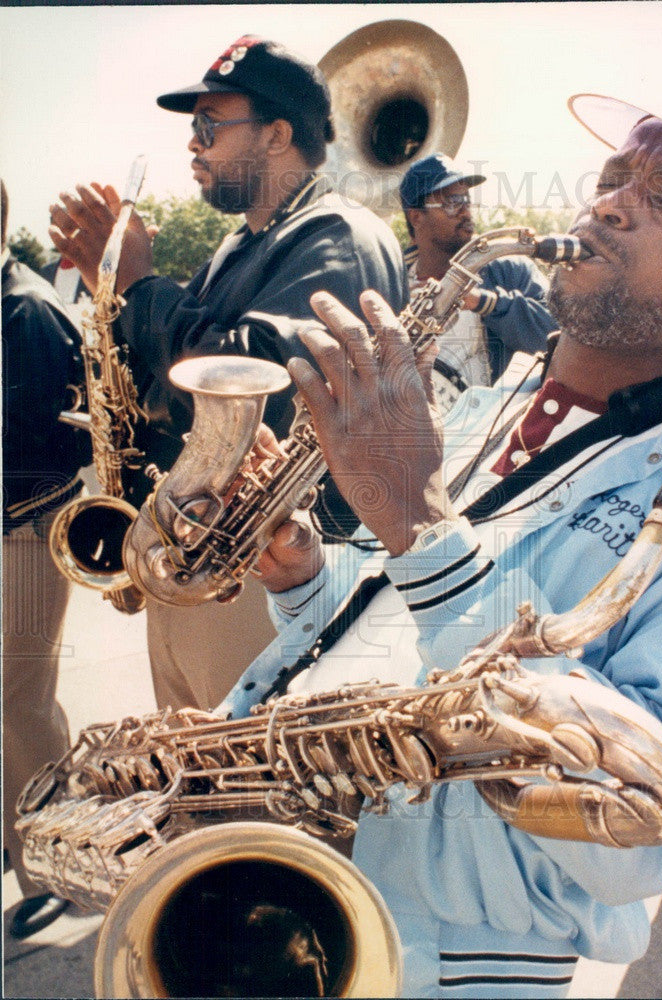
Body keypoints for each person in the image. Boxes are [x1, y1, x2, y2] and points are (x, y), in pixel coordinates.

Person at [218, 91, 662, 997]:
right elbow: (407, 611)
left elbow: (647, 829)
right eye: (615, 177)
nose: (610, 203)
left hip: (438, 959)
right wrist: (308, 576)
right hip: (262, 877)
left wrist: (423, 528)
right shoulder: (493, 400)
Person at [47, 36, 407, 713]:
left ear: (276, 135)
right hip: (201, 565)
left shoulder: (340, 236)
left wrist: (140, 284)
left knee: (251, 804)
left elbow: (260, 389)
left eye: (210, 126)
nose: (194, 145)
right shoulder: (242, 243)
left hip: (268, 576)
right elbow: (172, 391)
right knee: (193, 794)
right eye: (193, 129)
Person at [2, 180, 87, 938]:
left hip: (25, 529)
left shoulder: (26, 308)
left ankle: (51, 865)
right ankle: (14, 830)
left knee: (20, 700)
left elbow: (57, 442)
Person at [399, 153, 557, 407]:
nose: (466, 211)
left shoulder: (510, 269)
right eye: (452, 202)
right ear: (416, 217)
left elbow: (558, 336)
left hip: (494, 436)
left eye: (467, 200)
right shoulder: (392, 286)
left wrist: (484, 302)